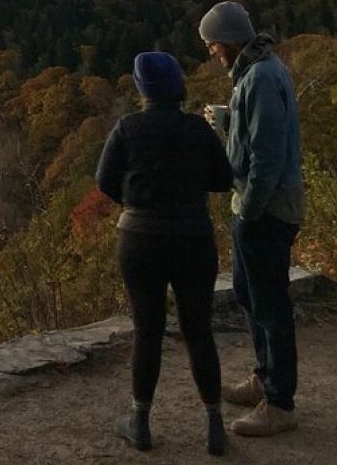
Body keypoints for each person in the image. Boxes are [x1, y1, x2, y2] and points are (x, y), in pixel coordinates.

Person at [96, 51, 233, 455]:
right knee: (198, 329)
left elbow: (104, 181)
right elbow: (224, 180)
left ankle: (140, 421)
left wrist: (136, 200)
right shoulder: (196, 129)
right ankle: (214, 424)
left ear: (142, 90)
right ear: (178, 86)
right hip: (193, 236)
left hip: (139, 237)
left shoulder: (127, 128)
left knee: (147, 328)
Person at [199, 1, 304, 436]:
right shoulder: (256, 71)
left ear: (227, 41)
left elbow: (267, 158)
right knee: (249, 292)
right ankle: (265, 377)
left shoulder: (260, 78)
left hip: (266, 209)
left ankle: (279, 403)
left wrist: (251, 208)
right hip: (258, 206)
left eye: (211, 45)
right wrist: (227, 122)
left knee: (270, 304)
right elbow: (256, 138)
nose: (211, 53)